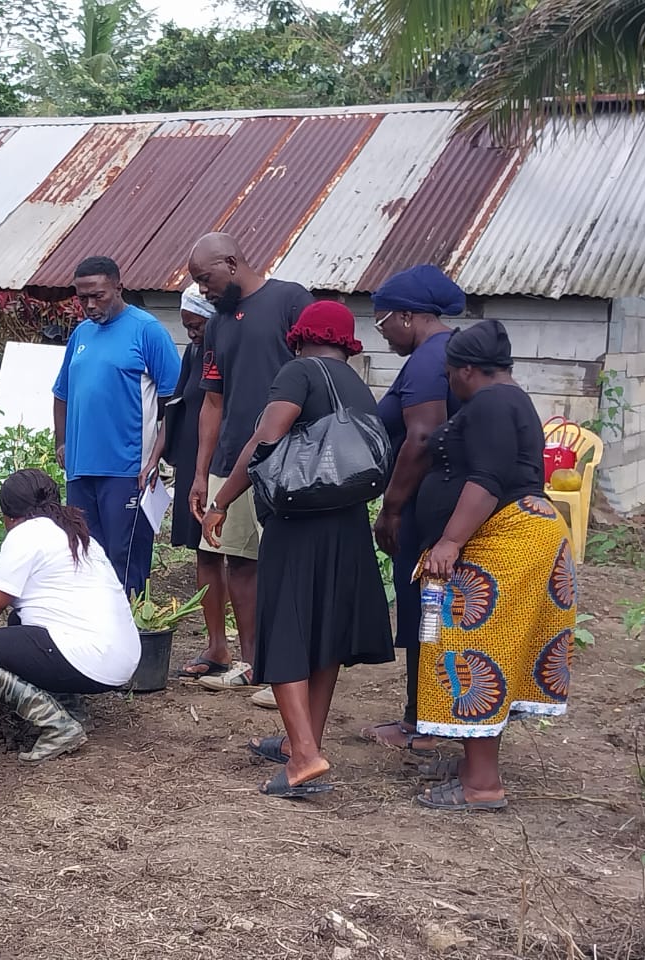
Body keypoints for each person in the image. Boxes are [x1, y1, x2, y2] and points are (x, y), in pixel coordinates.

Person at [202, 301, 393, 798]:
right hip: (347, 524)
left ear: (301, 335)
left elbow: (265, 441)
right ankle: (301, 742)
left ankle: (304, 757)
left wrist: (222, 500)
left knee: (285, 629)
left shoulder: (298, 372)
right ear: (346, 341)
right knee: (326, 634)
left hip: (298, 522)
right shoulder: (358, 386)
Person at [413, 320, 574, 811]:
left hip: (506, 539)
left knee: (471, 647)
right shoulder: (511, 399)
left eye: (448, 373)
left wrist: (450, 540)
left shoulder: (489, 403)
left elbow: (486, 478)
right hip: (522, 533)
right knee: (488, 648)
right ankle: (472, 766)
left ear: (465, 370)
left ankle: (482, 785)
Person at [186, 233, 313, 703]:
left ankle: (290, 672)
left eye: (205, 279)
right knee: (239, 563)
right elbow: (212, 402)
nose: (202, 291)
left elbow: (319, 371)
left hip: (286, 462)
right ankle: (256, 664)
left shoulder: (290, 300)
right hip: (231, 463)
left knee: (285, 566)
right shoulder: (218, 323)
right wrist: (201, 473)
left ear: (232, 262)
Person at [0, 469, 140, 762]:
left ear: (10, 515)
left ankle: (57, 726)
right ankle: (72, 710)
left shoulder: (27, 533)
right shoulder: (75, 533)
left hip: (87, 658)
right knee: (19, 621)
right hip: (122, 658)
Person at [360, 265, 465, 751]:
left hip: (428, 509)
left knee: (428, 609)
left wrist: (392, 508)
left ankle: (422, 724)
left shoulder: (428, 361)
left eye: (382, 324)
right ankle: (418, 717)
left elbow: (422, 437)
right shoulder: (445, 353)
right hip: (437, 505)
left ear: (407, 315)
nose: (382, 335)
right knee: (427, 611)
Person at [52, 256, 181, 597]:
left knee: (125, 558)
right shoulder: (81, 333)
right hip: (81, 468)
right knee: (85, 552)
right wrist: (61, 442)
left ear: (118, 287)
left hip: (127, 468)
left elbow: (174, 401)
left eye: (98, 296)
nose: (90, 305)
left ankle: (131, 631)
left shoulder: (147, 331)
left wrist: (156, 458)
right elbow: (62, 392)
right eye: (82, 298)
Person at [141, 284, 245, 682]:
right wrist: (154, 458)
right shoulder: (193, 352)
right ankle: (217, 647)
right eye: (187, 326)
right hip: (192, 464)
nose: (193, 333)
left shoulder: (232, 352)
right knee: (204, 555)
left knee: (238, 557)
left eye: (198, 325)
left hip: (227, 463)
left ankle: (250, 653)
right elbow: (176, 407)